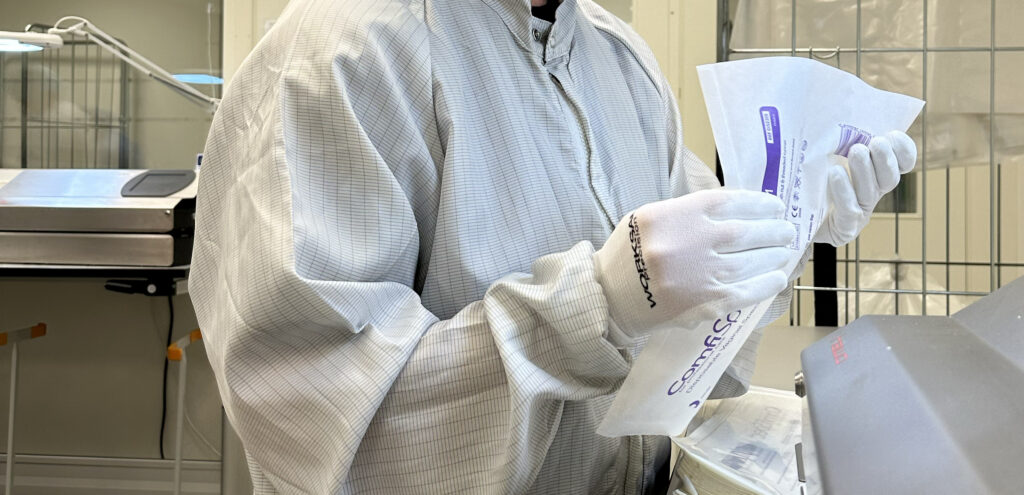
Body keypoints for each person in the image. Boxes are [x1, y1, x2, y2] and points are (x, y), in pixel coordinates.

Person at [189, 0, 917, 493]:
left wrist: (785, 235)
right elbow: (335, 442)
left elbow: (685, 352)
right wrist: (597, 303)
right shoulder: (341, 52)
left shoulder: (619, 58)